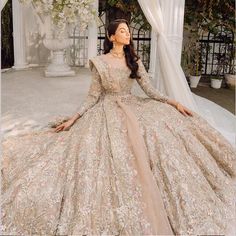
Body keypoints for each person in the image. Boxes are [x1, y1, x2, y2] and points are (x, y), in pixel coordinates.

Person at [1, 18, 236, 236]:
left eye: (128, 31)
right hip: (106, 110)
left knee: (165, 132)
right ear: (111, 37)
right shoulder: (99, 62)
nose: (128, 35)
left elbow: (150, 91)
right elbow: (93, 96)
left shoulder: (134, 61)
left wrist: (173, 102)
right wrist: (74, 118)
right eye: (123, 31)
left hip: (133, 106)